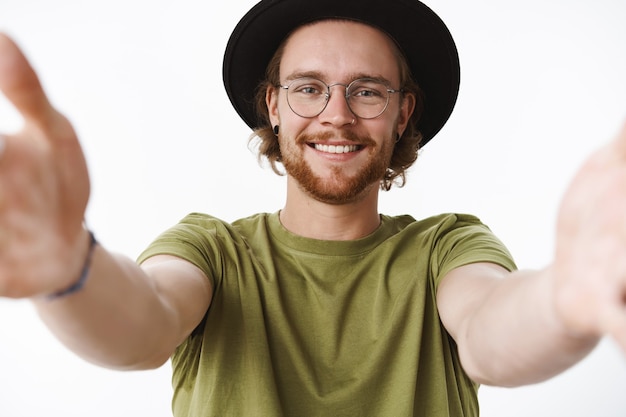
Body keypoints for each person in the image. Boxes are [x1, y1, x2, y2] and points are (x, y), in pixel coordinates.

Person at [0, 0, 624, 415]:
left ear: (403, 113)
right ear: (272, 105)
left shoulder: (447, 248)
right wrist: (69, 269)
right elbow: (145, 323)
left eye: (367, 91)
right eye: (308, 89)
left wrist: (562, 297)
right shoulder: (213, 250)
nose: (337, 114)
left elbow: (492, 332)